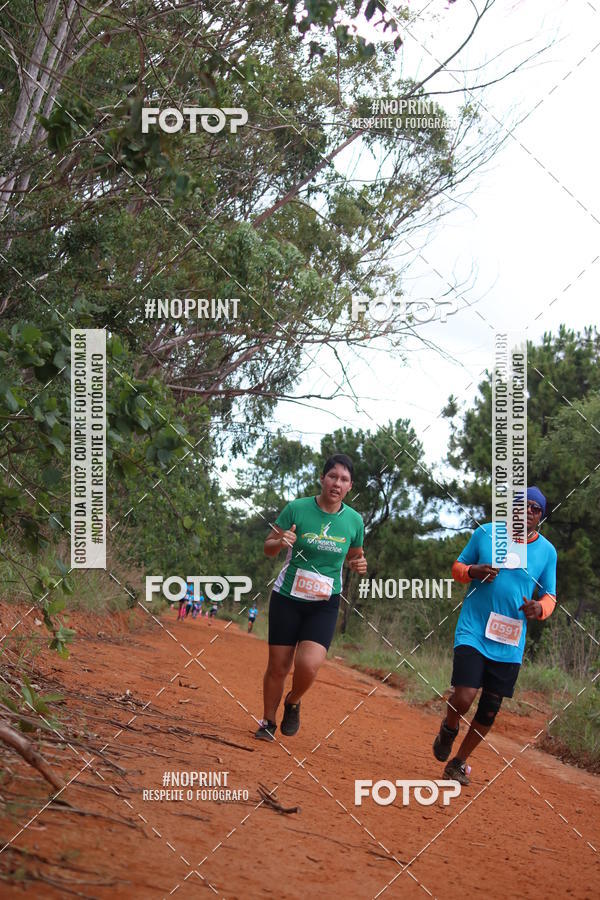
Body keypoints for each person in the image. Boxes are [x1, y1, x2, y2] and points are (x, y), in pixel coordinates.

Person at [432, 486, 557, 784]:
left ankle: (458, 761)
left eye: (535, 509)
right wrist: (473, 571)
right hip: (474, 627)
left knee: (489, 708)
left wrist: (539, 609)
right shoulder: (486, 533)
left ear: (540, 516)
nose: (528, 512)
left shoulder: (547, 551)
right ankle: (449, 727)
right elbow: (457, 568)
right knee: (463, 696)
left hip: (510, 638)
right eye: (522, 506)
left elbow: (550, 595)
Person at [254, 453, 367, 741]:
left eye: (344, 480)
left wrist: (358, 564)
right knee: (278, 665)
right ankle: (268, 721)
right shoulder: (297, 508)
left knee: (308, 664)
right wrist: (280, 541)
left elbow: (356, 556)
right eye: (332, 476)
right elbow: (268, 546)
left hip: (324, 603)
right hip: (287, 597)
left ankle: (293, 701)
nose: (337, 483)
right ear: (322, 478)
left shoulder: (354, 521)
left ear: (350, 486)